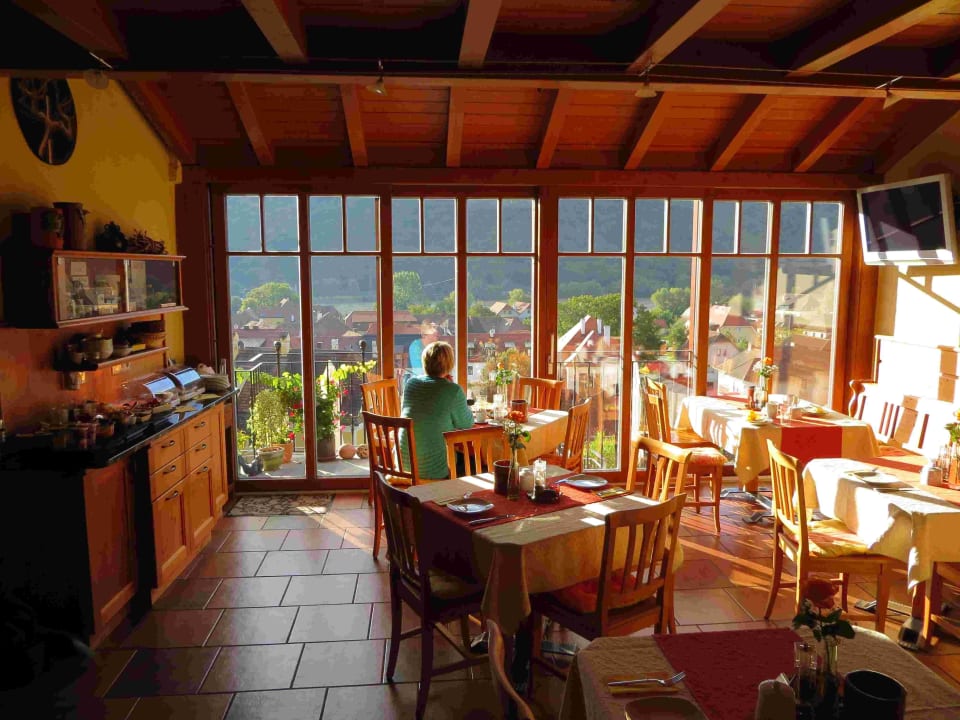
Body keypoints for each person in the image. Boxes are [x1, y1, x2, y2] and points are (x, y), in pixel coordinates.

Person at [400, 340, 474, 479]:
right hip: (434, 469)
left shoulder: (411, 384)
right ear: (450, 364)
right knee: (477, 463)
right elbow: (466, 424)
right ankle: (459, 498)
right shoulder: (452, 390)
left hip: (405, 464)